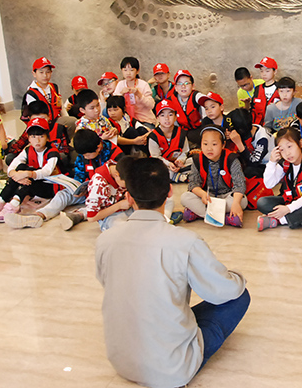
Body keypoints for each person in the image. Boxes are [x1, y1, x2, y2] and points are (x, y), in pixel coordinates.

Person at [95, 157, 249, 388]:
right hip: (172, 371)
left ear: (128, 197)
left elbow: (105, 281)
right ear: (169, 192)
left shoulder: (106, 240)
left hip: (121, 362)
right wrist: (236, 275)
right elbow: (224, 291)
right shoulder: (185, 241)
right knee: (239, 296)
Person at [40, 129, 123, 230]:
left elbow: (123, 179)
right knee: (63, 194)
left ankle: (78, 215)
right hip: (87, 190)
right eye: (83, 155)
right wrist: (78, 188)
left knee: (103, 203)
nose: (85, 157)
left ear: (98, 147)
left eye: (87, 155)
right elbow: (80, 174)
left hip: (107, 192)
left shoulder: (115, 153)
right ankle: (41, 214)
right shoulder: (83, 154)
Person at [256, 127, 302, 232]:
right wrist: (272, 162)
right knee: (262, 202)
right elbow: (269, 184)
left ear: (300, 143)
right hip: (289, 200)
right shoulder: (285, 163)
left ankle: (278, 220)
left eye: (289, 146)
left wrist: (288, 209)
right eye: (282, 149)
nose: (287, 153)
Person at [0, 118, 63, 226]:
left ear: (47, 137)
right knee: (20, 168)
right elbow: (12, 166)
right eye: (33, 137)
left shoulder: (52, 152)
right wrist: (15, 175)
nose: (37, 141)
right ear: (28, 138)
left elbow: (46, 171)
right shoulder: (28, 150)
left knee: (29, 171)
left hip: (50, 187)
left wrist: (27, 174)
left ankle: (15, 203)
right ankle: (1, 200)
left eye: (41, 136)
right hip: (33, 183)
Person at [180, 125, 248, 227]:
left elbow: (240, 185)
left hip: (227, 196)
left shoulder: (231, 159)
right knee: (185, 197)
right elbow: (193, 184)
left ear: (223, 144)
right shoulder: (197, 159)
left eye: (214, 144)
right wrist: (202, 194)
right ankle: (224, 218)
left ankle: (199, 214)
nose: (209, 148)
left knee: (242, 201)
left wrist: (236, 204)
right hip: (208, 197)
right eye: (205, 144)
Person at [6, 100, 71, 171]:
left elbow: (65, 150)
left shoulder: (59, 128)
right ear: (29, 119)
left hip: (52, 161)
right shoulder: (31, 130)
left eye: (43, 118)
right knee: (10, 158)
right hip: (33, 161)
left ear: (49, 116)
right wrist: (27, 150)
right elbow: (16, 147)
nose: (40, 122)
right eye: (35, 119)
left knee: (65, 158)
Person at [84, 153, 132, 231]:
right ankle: (80, 214)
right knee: (125, 230)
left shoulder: (120, 167)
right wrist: (119, 206)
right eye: (128, 184)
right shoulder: (99, 185)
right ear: (117, 175)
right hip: (110, 215)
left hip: (127, 207)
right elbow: (91, 217)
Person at [148, 100, 191, 182]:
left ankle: (177, 176)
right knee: (154, 168)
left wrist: (180, 161)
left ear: (175, 117)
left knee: (194, 161)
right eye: (162, 115)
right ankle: (180, 176)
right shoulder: (153, 136)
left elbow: (185, 151)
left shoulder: (181, 133)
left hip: (177, 163)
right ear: (157, 118)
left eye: (170, 115)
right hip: (162, 164)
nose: (167, 118)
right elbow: (156, 157)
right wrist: (169, 164)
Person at [227, 107, 274, 178]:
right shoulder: (249, 128)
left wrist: (239, 143)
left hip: (266, 164)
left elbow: (253, 163)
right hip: (253, 158)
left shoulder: (262, 139)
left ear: (240, 130)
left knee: (248, 171)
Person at [164, 69, 205, 142]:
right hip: (182, 131)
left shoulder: (197, 97)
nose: (183, 86)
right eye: (180, 83)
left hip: (199, 130)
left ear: (193, 86)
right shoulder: (171, 101)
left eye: (187, 83)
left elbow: (207, 119)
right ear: (175, 88)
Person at [113, 56, 156, 126]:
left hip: (144, 120)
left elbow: (151, 105)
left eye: (131, 70)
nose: (128, 73)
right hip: (127, 121)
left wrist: (139, 95)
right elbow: (114, 105)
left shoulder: (143, 84)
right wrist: (121, 95)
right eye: (125, 70)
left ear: (137, 71)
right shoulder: (120, 84)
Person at [250, 56, 280, 126]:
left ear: (275, 72)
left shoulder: (281, 88)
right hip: (258, 126)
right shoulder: (258, 89)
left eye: (267, 71)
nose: (264, 74)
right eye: (261, 71)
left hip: (275, 126)